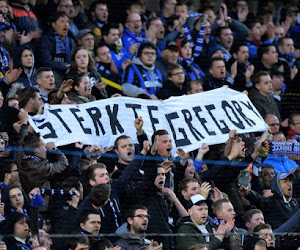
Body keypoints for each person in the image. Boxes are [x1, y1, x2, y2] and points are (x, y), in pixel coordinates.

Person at [38, 12, 76, 86]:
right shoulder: (45, 40)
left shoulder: (71, 41)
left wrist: (70, 66)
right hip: (52, 71)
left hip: (68, 71)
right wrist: (64, 66)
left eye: (67, 22)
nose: (66, 24)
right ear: (54, 24)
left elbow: (74, 58)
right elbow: (46, 62)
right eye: (62, 21)